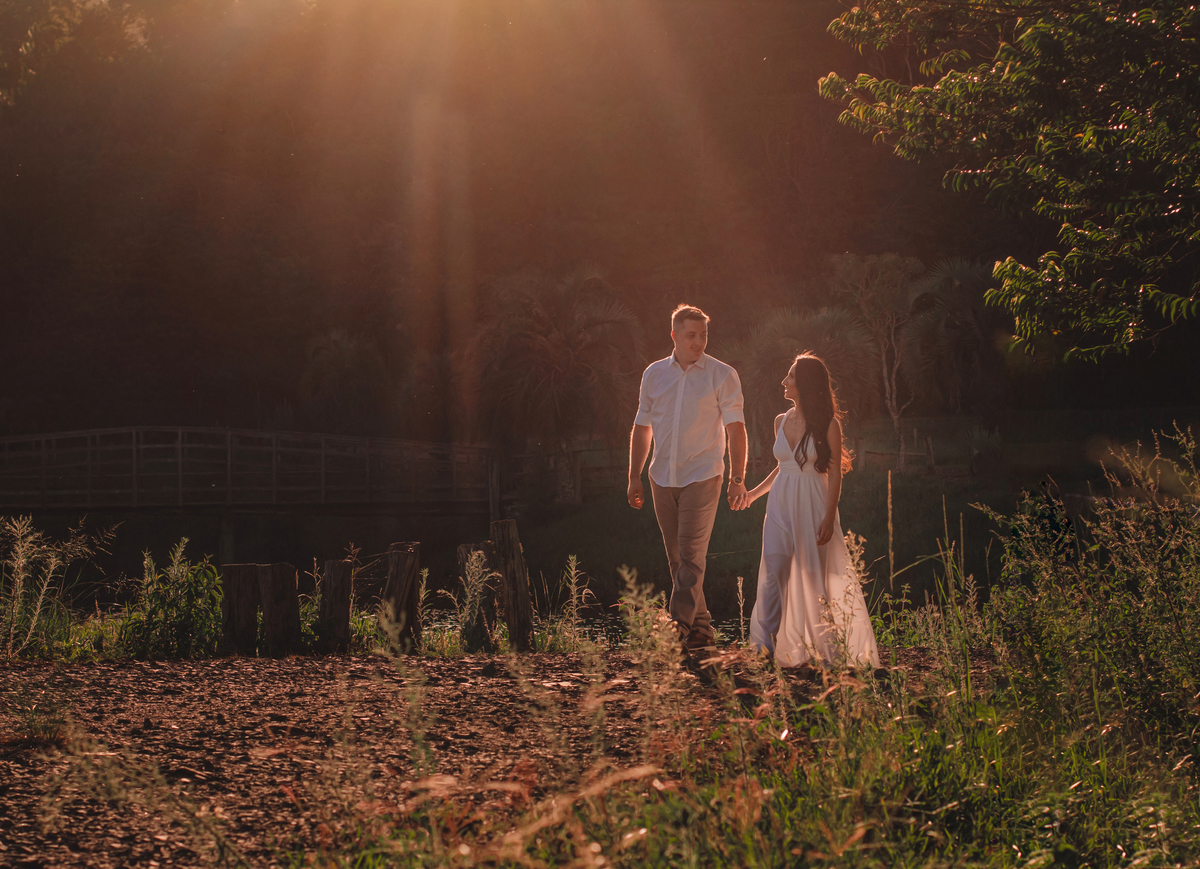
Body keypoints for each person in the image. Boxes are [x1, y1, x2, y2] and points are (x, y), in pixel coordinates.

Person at [732, 354, 879, 669]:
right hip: (780, 507)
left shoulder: (829, 424)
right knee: (773, 575)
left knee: (815, 580)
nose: (784, 382)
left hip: (814, 505)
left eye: (791, 376)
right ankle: (763, 651)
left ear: (806, 384)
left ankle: (827, 652)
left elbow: (835, 473)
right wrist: (754, 494)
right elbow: (782, 468)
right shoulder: (779, 421)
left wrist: (829, 516)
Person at [628, 304, 747, 650]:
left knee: (692, 555)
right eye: (691, 335)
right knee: (677, 559)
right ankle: (701, 629)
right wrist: (634, 475)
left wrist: (736, 478)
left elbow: (737, 429)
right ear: (674, 336)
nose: (699, 342)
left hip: (703, 474)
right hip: (661, 476)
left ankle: (675, 627)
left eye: (703, 335)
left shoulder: (722, 374)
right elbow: (642, 427)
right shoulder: (654, 374)